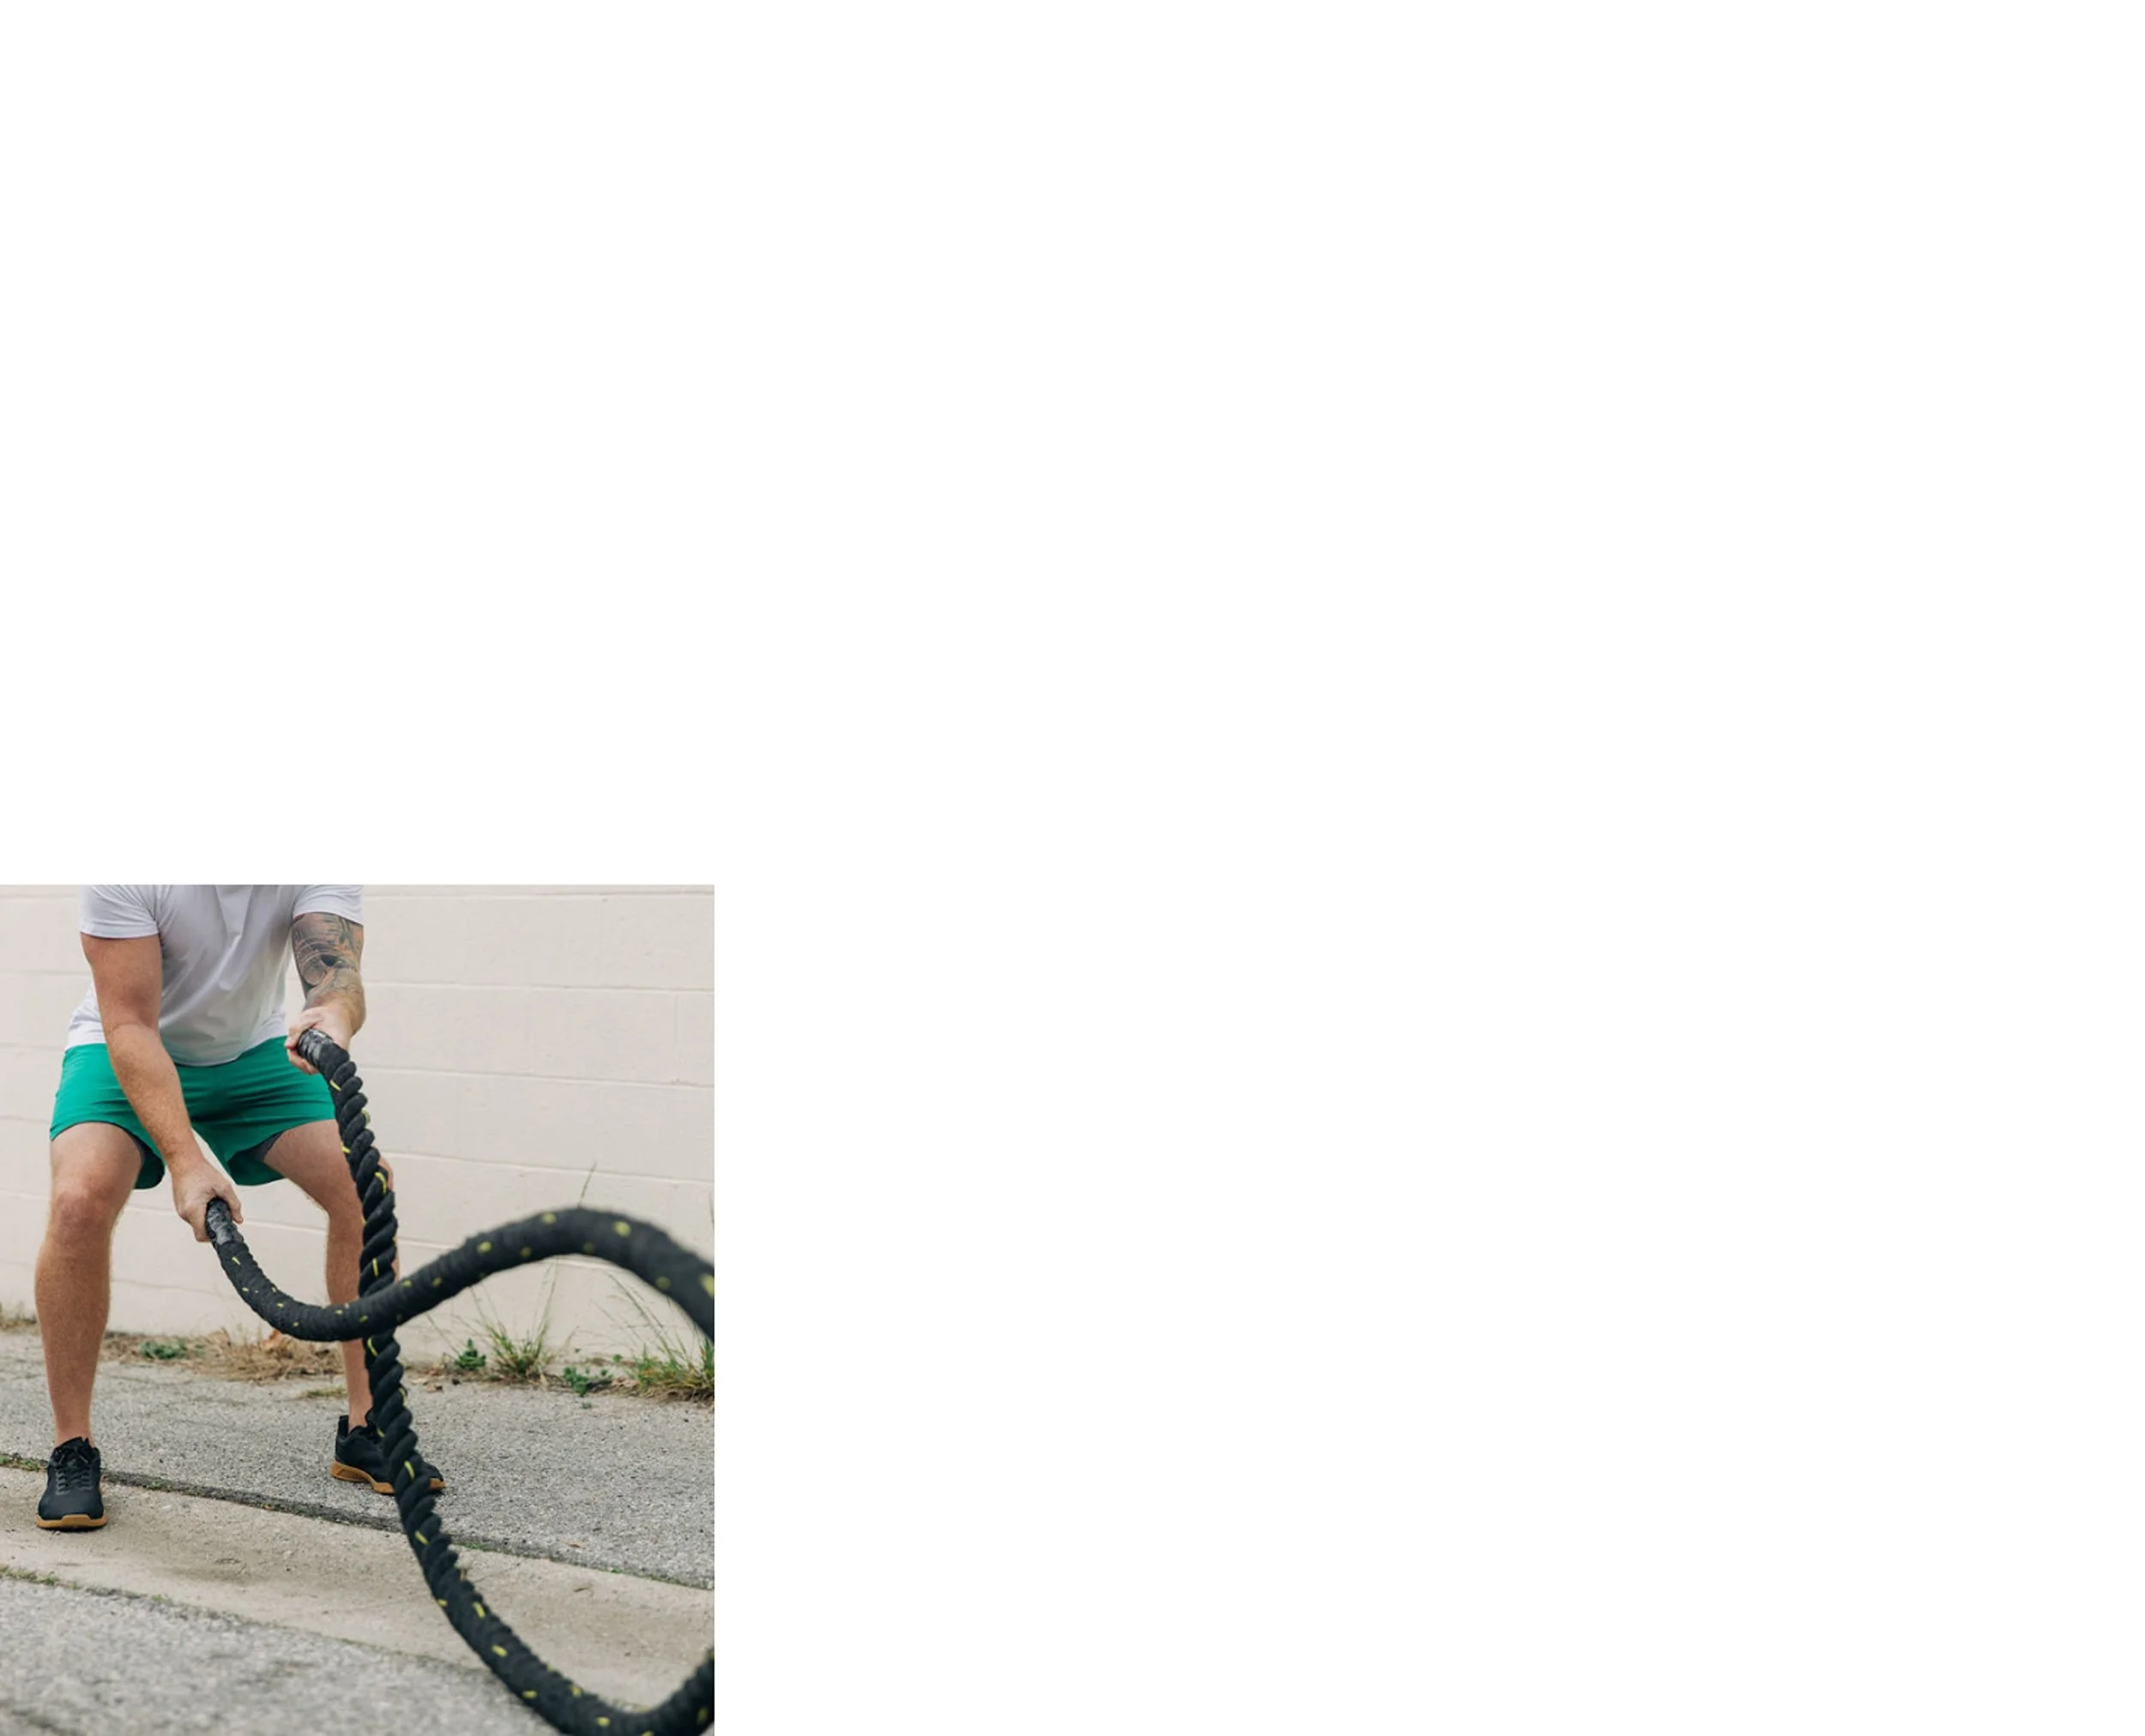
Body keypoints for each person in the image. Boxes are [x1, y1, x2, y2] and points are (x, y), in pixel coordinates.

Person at [33, 886, 441, 1531]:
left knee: (367, 1185)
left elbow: (334, 970)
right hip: (126, 1048)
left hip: (252, 1055)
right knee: (77, 1201)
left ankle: (369, 1426)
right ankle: (71, 1447)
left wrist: (334, 1014)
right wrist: (186, 1161)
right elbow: (130, 1024)